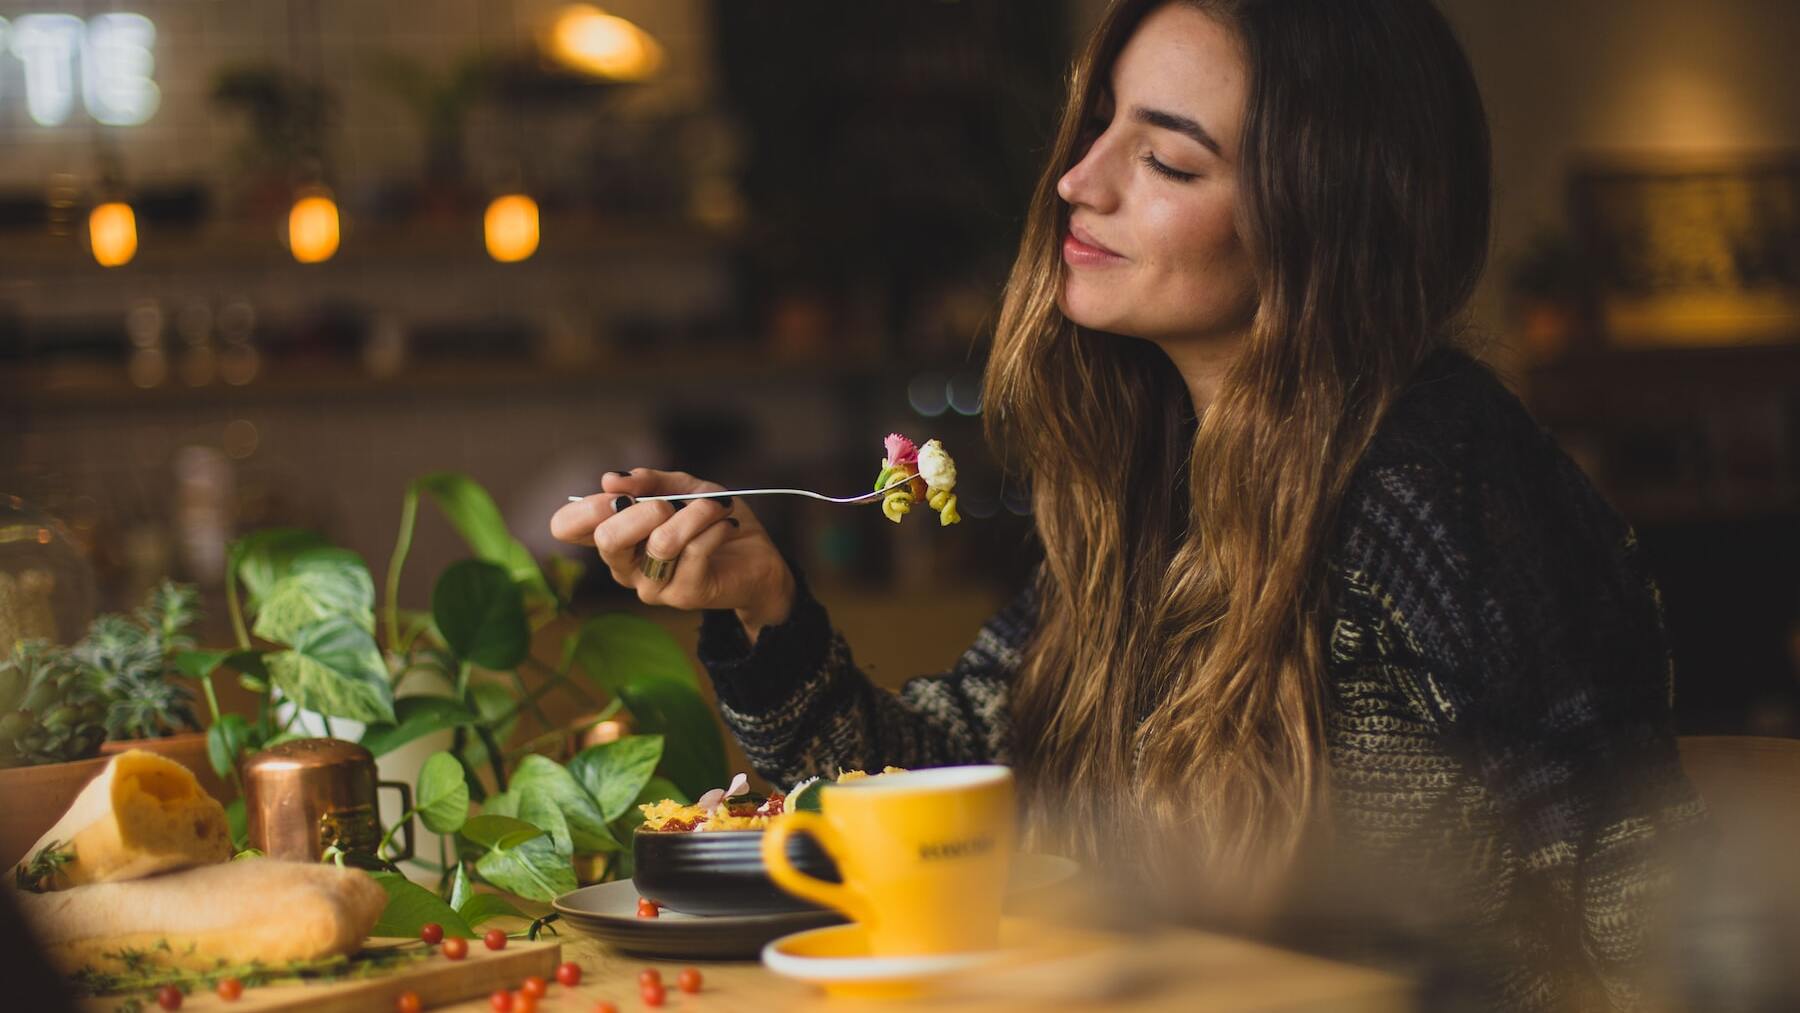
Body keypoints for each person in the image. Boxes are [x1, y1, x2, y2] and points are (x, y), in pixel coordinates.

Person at [552, 1, 1699, 1007]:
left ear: (1323, 223)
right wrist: (764, 604)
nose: (1076, 179)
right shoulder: (1164, 484)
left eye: (1172, 162)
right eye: (1099, 123)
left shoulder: (1441, 490)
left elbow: (1638, 909)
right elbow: (951, 781)